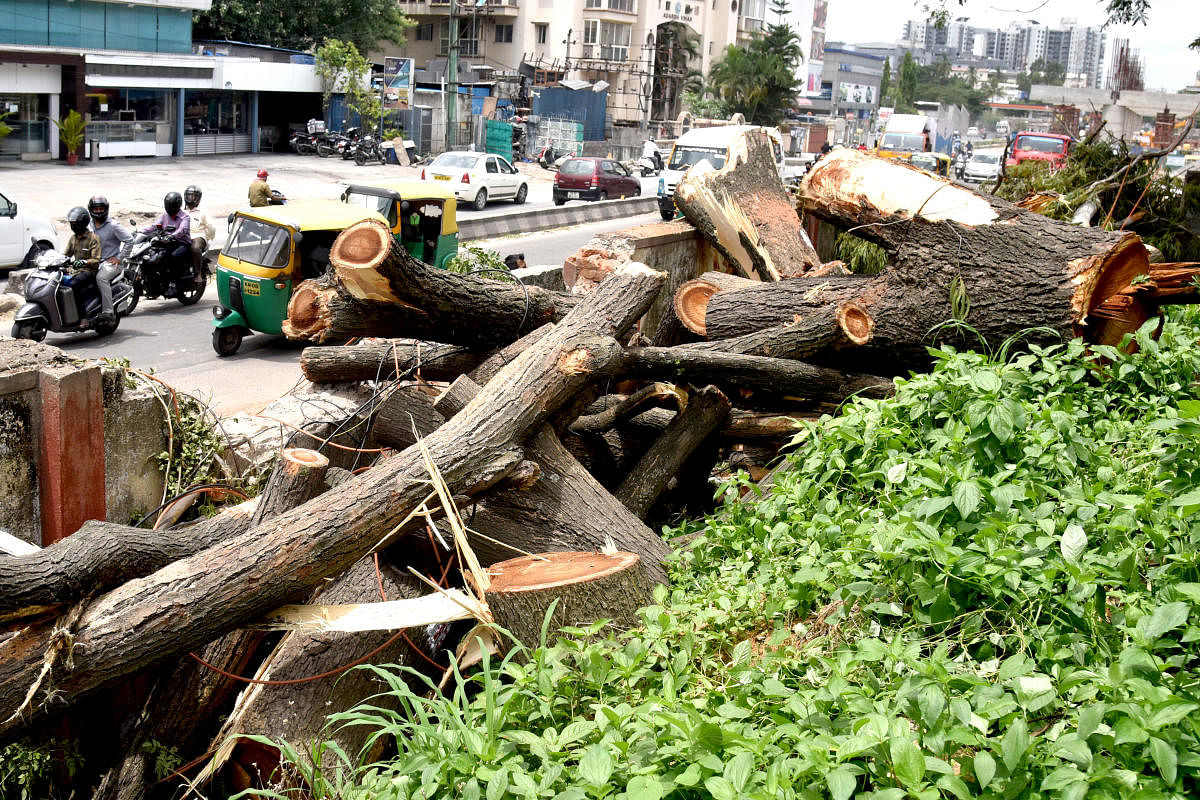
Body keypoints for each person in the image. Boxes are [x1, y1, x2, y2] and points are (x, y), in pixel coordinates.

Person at [86, 195, 130, 321]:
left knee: (101, 278)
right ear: (91, 210)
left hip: (110, 263)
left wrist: (119, 258)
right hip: (94, 262)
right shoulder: (89, 225)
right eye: (96, 209)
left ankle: (108, 311)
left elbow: (129, 240)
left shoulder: (113, 225)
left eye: (101, 209)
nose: (99, 211)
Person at [64, 206, 109, 324]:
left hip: (89, 272)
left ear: (83, 223)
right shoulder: (73, 239)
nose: (73, 226)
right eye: (71, 223)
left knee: (74, 285)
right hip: (75, 271)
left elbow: (96, 260)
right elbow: (65, 255)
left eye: (75, 223)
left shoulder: (93, 238)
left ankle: (83, 317)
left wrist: (84, 262)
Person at [141, 192, 191, 267]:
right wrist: (140, 232)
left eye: (171, 206)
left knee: (174, 256)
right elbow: (155, 226)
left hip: (181, 243)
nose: (169, 208)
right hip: (167, 242)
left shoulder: (185, 217)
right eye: (168, 205)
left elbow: (182, 230)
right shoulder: (165, 215)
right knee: (152, 255)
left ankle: (176, 277)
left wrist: (172, 236)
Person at [183, 185, 214, 278]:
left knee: (195, 248)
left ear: (198, 198)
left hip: (197, 235)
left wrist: (207, 238)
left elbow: (211, 227)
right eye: (188, 196)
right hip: (184, 236)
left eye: (193, 196)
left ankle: (198, 273)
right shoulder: (182, 211)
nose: (190, 198)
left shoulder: (203, 212)